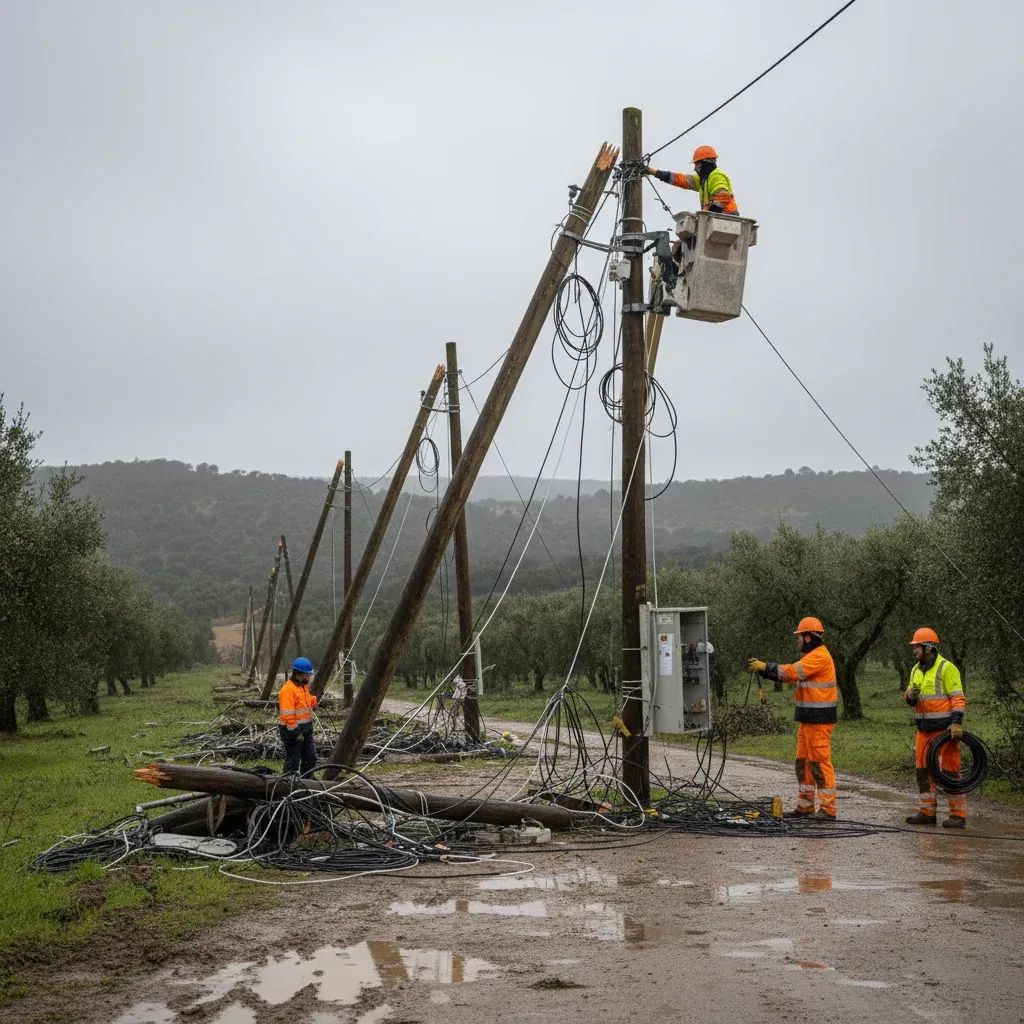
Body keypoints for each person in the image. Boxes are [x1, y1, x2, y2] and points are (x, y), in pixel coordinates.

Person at [748, 616, 838, 820]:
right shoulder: (813, 656)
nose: (797, 640)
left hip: (819, 720)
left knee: (819, 762)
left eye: (800, 636)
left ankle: (828, 809)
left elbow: (791, 672)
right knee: (803, 762)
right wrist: (767, 671)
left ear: (809, 637)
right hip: (808, 719)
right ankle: (805, 806)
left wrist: (765, 668)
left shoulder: (819, 656)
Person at [904, 628, 967, 828]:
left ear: (928, 648)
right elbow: (909, 698)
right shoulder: (915, 669)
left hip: (945, 731)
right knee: (923, 771)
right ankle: (927, 812)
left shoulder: (947, 668)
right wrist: (910, 696)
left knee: (950, 771)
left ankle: (958, 815)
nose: (914, 650)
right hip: (923, 730)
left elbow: (957, 697)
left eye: (917, 647)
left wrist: (956, 722)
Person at [643, 145, 739, 214]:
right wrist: (653, 172)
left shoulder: (716, 176)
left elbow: (722, 196)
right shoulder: (704, 180)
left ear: (705, 163)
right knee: (683, 241)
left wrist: (706, 214)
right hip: (717, 221)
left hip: (727, 220)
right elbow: (680, 179)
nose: (695, 168)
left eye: (697, 164)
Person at [278, 656, 318, 777]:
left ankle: (307, 784)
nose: (309, 677)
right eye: (308, 675)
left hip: (306, 730)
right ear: (299, 674)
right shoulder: (287, 690)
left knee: (311, 758)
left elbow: (303, 702)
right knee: (293, 762)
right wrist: (295, 732)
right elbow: (287, 714)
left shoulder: (303, 686)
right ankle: (288, 787)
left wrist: (313, 700)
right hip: (292, 731)